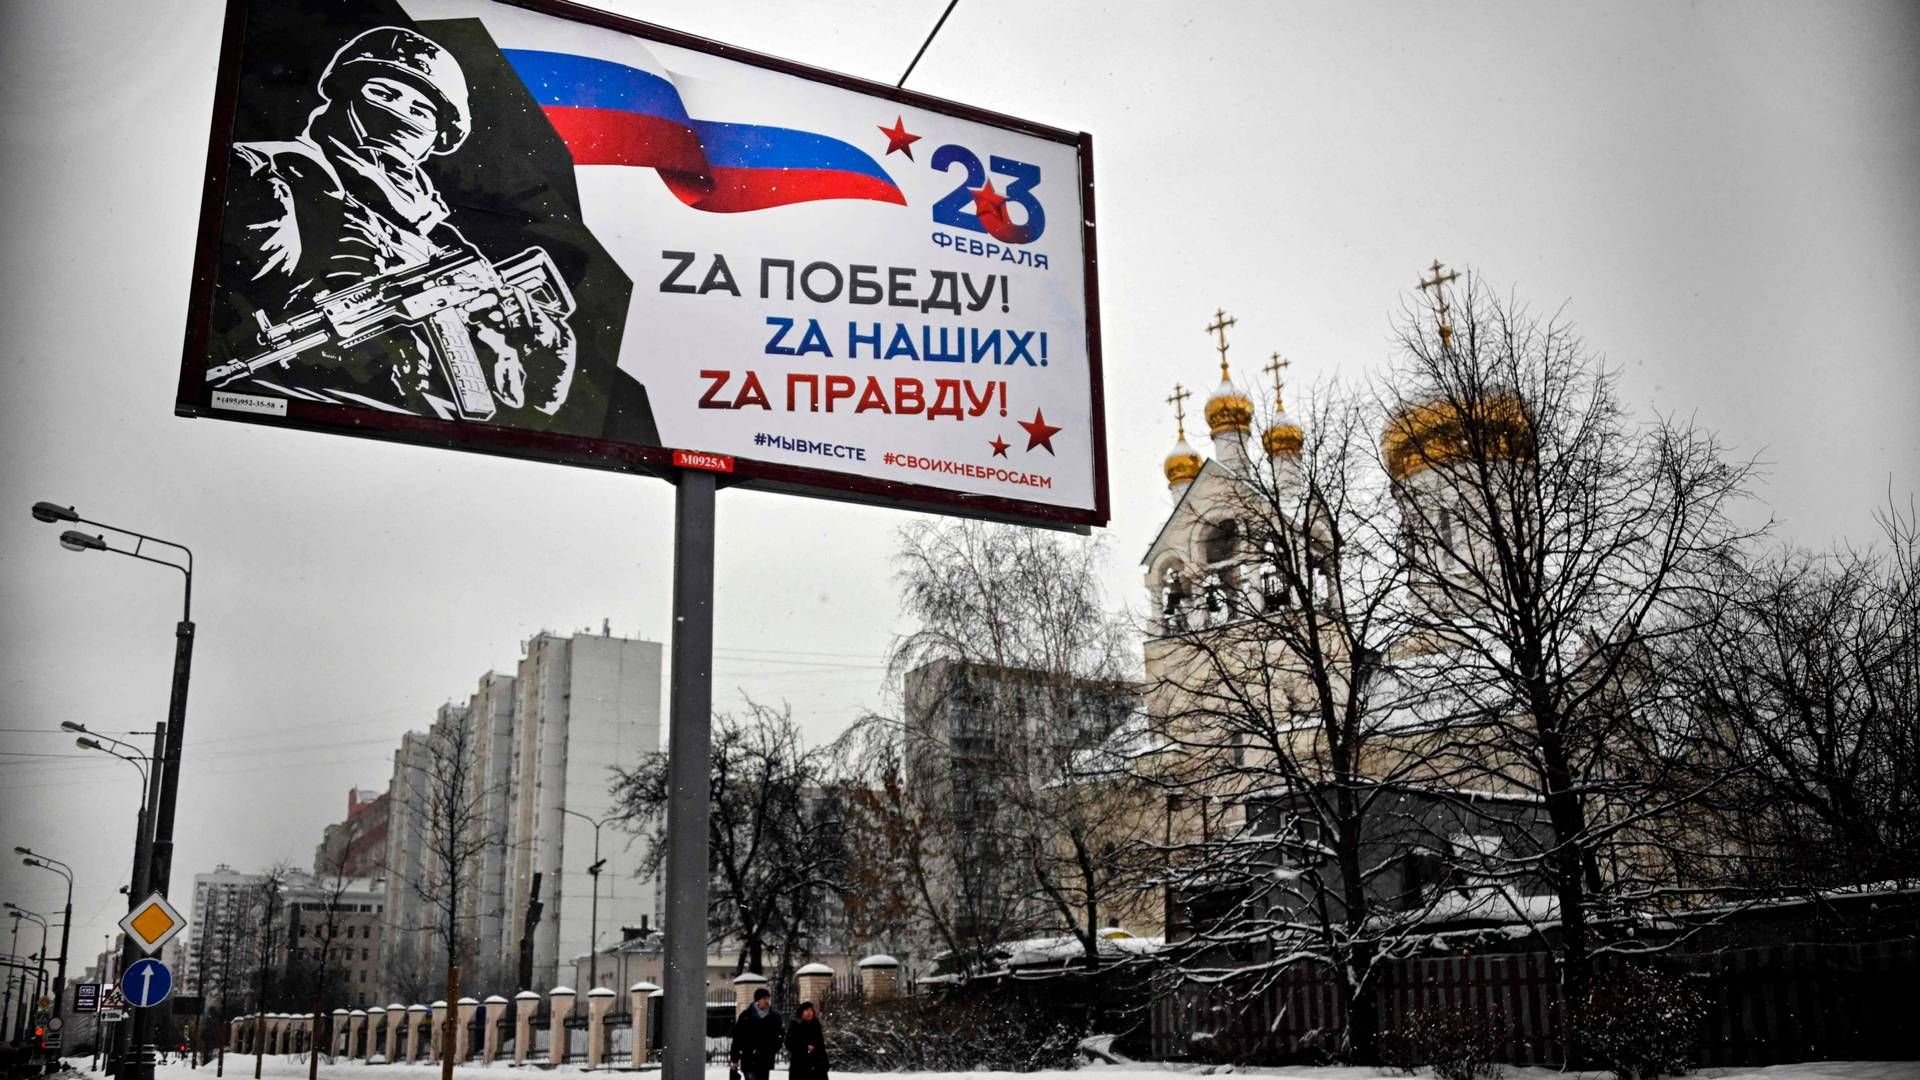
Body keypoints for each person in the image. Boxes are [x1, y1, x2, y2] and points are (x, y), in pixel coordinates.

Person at [220, 25, 575, 419]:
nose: (399, 113)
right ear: (346, 92)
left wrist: (526, 341)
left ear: (438, 134)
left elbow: (538, 405)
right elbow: (246, 274)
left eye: (420, 109)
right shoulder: (272, 174)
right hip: (306, 399)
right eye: (383, 93)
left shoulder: (439, 235)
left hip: (413, 419)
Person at [729, 987, 782, 1080]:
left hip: (765, 1060)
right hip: (748, 1059)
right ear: (757, 1000)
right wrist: (735, 1059)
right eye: (764, 999)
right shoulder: (746, 1016)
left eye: (768, 999)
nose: (767, 1001)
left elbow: (779, 1036)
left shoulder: (774, 1017)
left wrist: (771, 1050)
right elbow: (737, 1038)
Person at [784, 1001, 828, 1080]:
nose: (809, 1012)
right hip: (800, 1065)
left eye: (811, 1010)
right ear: (801, 1012)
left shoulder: (816, 1025)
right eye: (806, 1010)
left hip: (817, 1065)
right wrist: (804, 1048)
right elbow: (789, 1044)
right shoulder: (795, 1025)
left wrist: (825, 1062)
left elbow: (821, 1045)